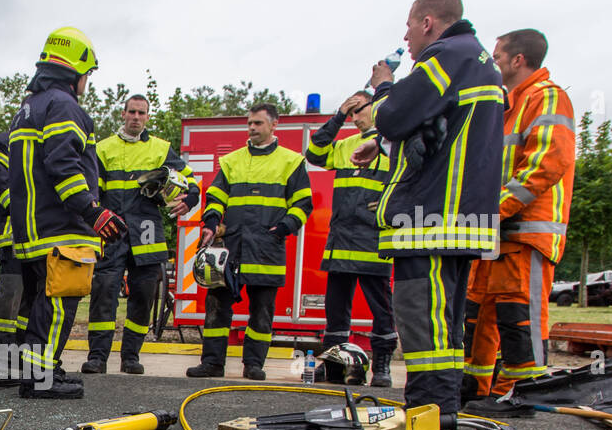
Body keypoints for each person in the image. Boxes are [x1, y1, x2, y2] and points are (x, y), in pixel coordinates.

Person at [355, 0, 504, 418]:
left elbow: (394, 114)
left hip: (431, 220)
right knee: (444, 326)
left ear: (426, 22)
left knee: (422, 322)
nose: (406, 37)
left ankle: (430, 419)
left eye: (408, 25)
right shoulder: (474, 61)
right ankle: (441, 414)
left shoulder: (447, 56)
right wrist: (381, 147)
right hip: (456, 220)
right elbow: (436, 135)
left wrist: (383, 85)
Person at [460, 28, 575, 415]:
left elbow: (547, 164)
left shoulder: (547, 98)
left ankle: (522, 391)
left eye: (497, 57)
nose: (493, 63)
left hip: (526, 232)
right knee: (480, 310)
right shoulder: (509, 105)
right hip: (499, 232)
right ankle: (478, 387)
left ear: (517, 60)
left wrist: (493, 210)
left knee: (518, 312)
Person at [8, 27, 125, 399]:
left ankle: (33, 372)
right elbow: (63, 165)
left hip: (30, 228)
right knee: (60, 302)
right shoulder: (64, 105)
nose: (87, 82)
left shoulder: (28, 108)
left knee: (38, 303)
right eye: (87, 74)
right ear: (77, 71)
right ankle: (42, 378)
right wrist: (92, 212)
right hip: (61, 227)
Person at [188, 103, 313, 379]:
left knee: (262, 311)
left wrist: (282, 230)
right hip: (232, 247)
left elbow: (303, 204)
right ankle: (212, 363)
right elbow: (216, 196)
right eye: (250, 123)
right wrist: (210, 224)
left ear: (273, 125)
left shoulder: (291, 161)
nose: (252, 128)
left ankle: (254, 365)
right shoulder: (232, 161)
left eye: (258, 123)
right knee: (217, 306)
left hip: (267, 249)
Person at [82, 95, 199, 375]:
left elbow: (189, 178)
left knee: (144, 296)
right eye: (132, 112)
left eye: (141, 113)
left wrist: (191, 196)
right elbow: (92, 192)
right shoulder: (103, 148)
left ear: (148, 117)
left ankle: (131, 356)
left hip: (147, 233)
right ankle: (97, 357)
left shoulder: (161, 148)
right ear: (123, 114)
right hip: (112, 232)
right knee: (104, 294)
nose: (136, 117)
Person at [306, 91, 396, 386]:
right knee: (336, 313)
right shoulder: (345, 145)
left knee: (382, 310)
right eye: (352, 112)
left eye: (359, 110)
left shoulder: (391, 145)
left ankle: (382, 366)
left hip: (373, 242)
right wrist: (339, 115)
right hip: (341, 242)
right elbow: (315, 152)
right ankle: (335, 366)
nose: (355, 117)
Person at [0, 127, 26, 381]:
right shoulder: (3, 142)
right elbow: (0, 182)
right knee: (10, 296)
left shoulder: (45, 141)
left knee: (32, 302)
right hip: (15, 234)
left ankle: (24, 357)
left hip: (42, 234)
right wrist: (27, 210)